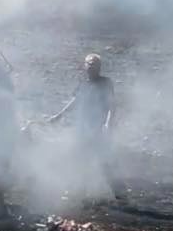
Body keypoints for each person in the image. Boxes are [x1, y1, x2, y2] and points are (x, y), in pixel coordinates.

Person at [41, 53, 118, 204]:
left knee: (104, 161)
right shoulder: (83, 84)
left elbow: (112, 105)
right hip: (82, 128)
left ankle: (118, 193)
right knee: (80, 159)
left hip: (97, 129)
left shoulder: (105, 83)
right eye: (89, 64)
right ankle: (80, 192)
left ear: (99, 67)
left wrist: (108, 124)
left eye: (94, 64)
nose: (91, 67)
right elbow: (75, 101)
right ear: (84, 66)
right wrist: (58, 116)